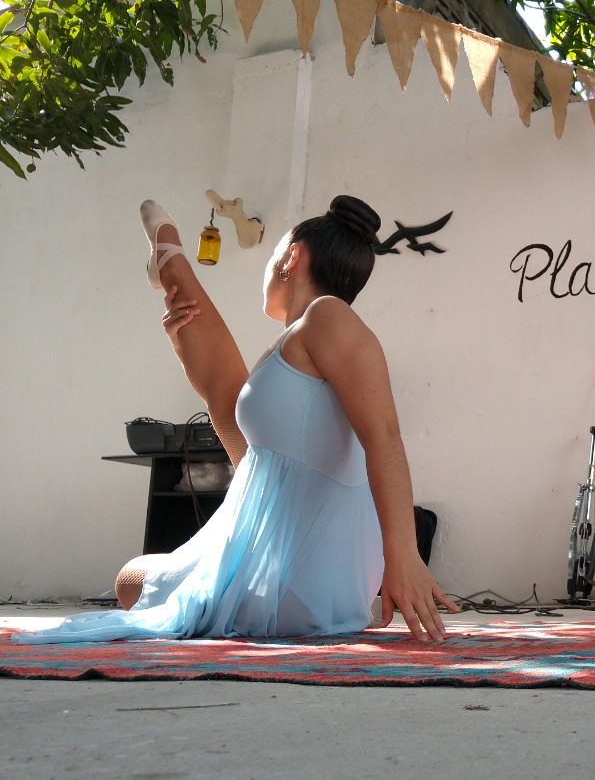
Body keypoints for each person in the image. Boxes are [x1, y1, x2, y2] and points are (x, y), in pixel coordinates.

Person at [17, 196, 458, 645]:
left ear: (291, 257)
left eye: (272, 255)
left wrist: (403, 558)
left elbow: (383, 437)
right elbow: (238, 431)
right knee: (140, 577)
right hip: (311, 594)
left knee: (133, 578)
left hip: (298, 587)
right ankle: (167, 260)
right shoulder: (294, 349)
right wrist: (185, 342)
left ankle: (167, 252)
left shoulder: (328, 315)